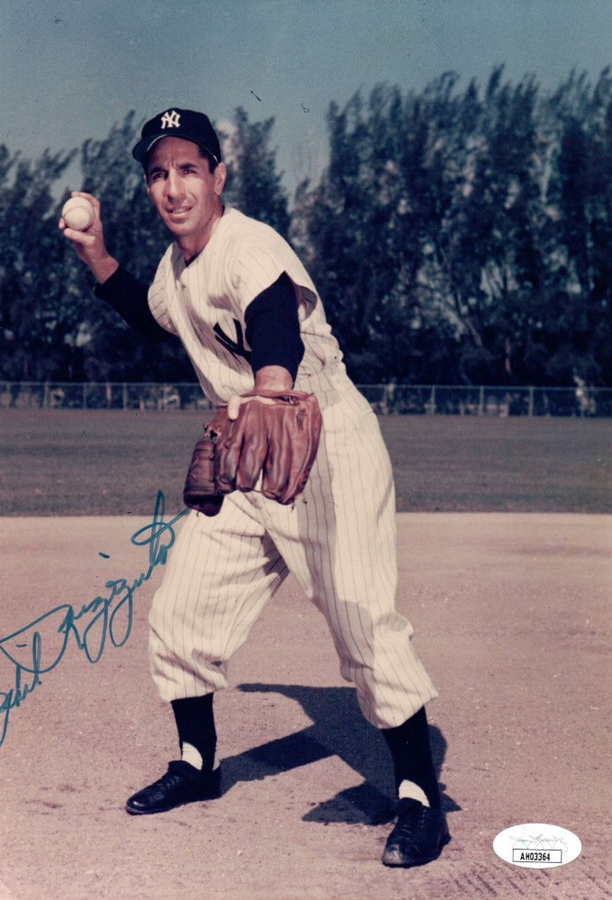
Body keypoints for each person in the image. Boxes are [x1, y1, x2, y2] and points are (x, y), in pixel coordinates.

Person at [61, 108, 450, 868]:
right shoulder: (178, 271)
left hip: (319, 437)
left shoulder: (251, 243)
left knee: (364, 623)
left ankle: (418, 801)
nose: (173, 188)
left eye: (188, 169)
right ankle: (198, 766)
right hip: (249, 451)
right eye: (158, 173)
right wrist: (98, 257)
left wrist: (271, 389)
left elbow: (272, 318)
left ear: (218, 177)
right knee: (181, 613)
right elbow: (155, 320)